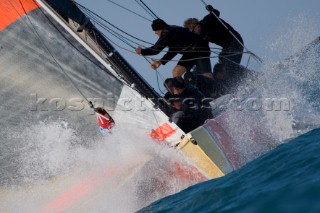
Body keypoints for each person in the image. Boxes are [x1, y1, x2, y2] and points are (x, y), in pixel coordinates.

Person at [184, 5, 244, 88]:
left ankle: (251, 77)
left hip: (235, 42)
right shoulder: (201, 36)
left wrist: (211, 9)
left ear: (196, 25)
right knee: (219, 68)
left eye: (193, 31)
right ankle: (226, 87)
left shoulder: (206, 21)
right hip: (226, 47)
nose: (195, 34)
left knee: (230, 67)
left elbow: (216, 13)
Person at [135, 18, 212, 79]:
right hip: (190, 53)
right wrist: (161, 62)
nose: (155, 33)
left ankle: (216, 92)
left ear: (160, 29)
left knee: (206, 77)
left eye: (155, 31)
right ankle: (188, 93)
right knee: (176, 72)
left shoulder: (167, 32)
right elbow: (173, 50)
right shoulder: (171, 31)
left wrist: (142, 51)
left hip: (200, 49)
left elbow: (156, 49)